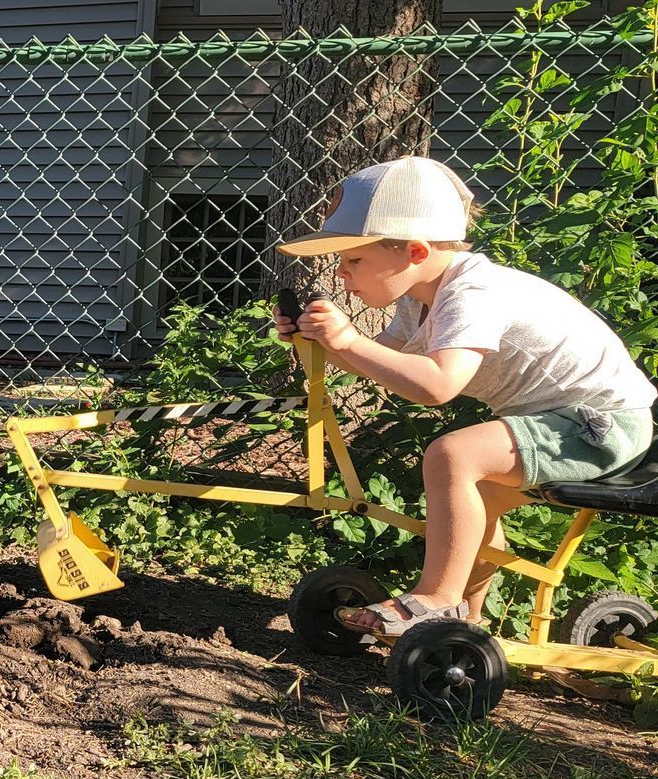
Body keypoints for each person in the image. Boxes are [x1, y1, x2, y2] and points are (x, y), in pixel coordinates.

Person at [272, 156, 656, 635]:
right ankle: (467, 624)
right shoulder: (423, 296)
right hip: (564, 419)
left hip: (602, 424)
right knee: (478, 497)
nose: (343, 274)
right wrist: (324, 343)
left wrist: (348, 340)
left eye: (354, 260)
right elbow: (384, 362)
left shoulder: (472, 291)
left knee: (452, 456)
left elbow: (435, 385)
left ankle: (438, 599)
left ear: (414, 251)